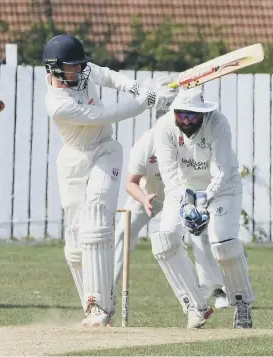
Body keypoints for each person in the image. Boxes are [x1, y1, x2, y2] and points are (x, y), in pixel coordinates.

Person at [42, 33, 178, 327]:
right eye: (71, 67)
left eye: (79, 65)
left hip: (105, 151)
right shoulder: (58, 104)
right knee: (75, 243)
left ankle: (100, 307)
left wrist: (141, 87)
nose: (78, 71)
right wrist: (146, 101)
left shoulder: (83, 71)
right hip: (74, 158)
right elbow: (107, 113)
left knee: (96, 218)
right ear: (53, 68)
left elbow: (112, 78)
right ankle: (94, 304)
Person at [152, 87, 254, 328]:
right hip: (184, 189)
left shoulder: (218, 123)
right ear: (175, 112)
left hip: (223, 189)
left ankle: (242, 305)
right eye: (182, 115)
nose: (187, 121)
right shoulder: (165, 126)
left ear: (202, 113)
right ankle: (195, 306)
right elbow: (169, 175)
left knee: (222, 243)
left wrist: (204, 201)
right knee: (164, 241)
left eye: (193, 116)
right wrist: (186, 206)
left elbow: (221, 171)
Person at [111, 121, 229, 319]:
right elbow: (130, 183)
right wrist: (144, 199)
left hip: (180, 198)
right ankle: (109, 291)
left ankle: (216, 289)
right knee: (123, 231)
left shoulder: (189, 141)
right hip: (147, 195)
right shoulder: (144, 145)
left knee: (198, 235)